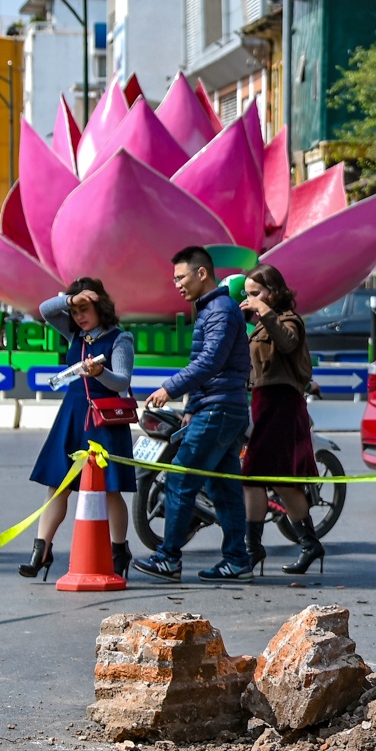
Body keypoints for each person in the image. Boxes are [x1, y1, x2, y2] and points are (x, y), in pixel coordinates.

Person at [133, 246, 254, 583]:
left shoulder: (220, 310)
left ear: (202, 273)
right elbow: (211, 364)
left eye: (181, 277)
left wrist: (169, 388)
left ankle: (169, 557)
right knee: (222, 487)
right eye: (174, 279)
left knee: (180, 478)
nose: (177, 285)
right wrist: (190, 408)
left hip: (219, 409)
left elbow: (210, 362)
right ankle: (236, 560)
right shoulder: (215, 310)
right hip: (221, 407)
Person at [23, 279, 138, 580]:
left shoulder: (120, 338)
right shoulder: (75, 334)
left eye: (85, 310)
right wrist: (71, 298)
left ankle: (118, 551)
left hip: (103, 420)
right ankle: (41, 551)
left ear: (101, 306)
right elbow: (46, 310)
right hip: (72, 416)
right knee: (57, 486)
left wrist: (101, 372)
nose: (79, 317)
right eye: (75, 312)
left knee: (110, 489)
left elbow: (122, 382)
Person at [239, 264, 326, 576]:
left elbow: (288, 342)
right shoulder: (260, 325)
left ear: (272, 292)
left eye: (255, 293)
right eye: (247, 294)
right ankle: (308, 543)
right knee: (280, 480)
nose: (249, 299)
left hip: (282, 404)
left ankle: (253, 550)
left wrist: (264, 311)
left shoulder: (287, 319)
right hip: (264, 403)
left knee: (254, 477)